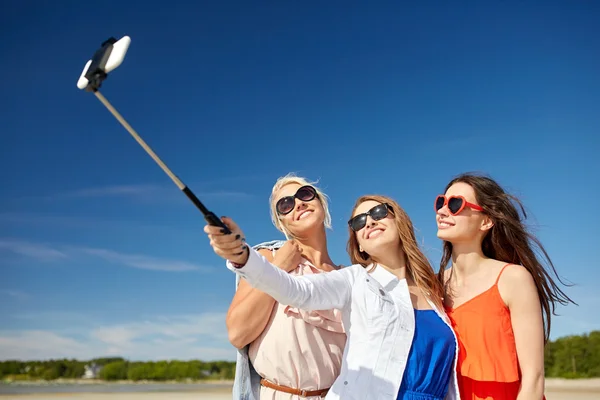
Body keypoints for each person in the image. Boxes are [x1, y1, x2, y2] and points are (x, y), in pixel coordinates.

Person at [205, 194, 461, 400]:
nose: (369, 222)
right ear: (359, 243)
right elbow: (295, 290)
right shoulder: (354, 280)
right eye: (358, 222)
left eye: (379, 212)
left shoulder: (436, 291)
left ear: (399, 221)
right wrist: (242, 256)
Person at [434, 173, 575, 400]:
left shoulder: (513, 279)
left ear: (486, 221)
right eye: (441, 202)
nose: (442, 211)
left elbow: (534, 379)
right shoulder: (430, 285)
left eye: (455, 204)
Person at [226, 174, 346, 400]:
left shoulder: (347, 277)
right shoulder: (268, 259)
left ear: (321, 203)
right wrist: (279, 268)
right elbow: (237, 333)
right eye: (285, 205)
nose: (298, 204)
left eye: (305, 194)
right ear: (281, 222)